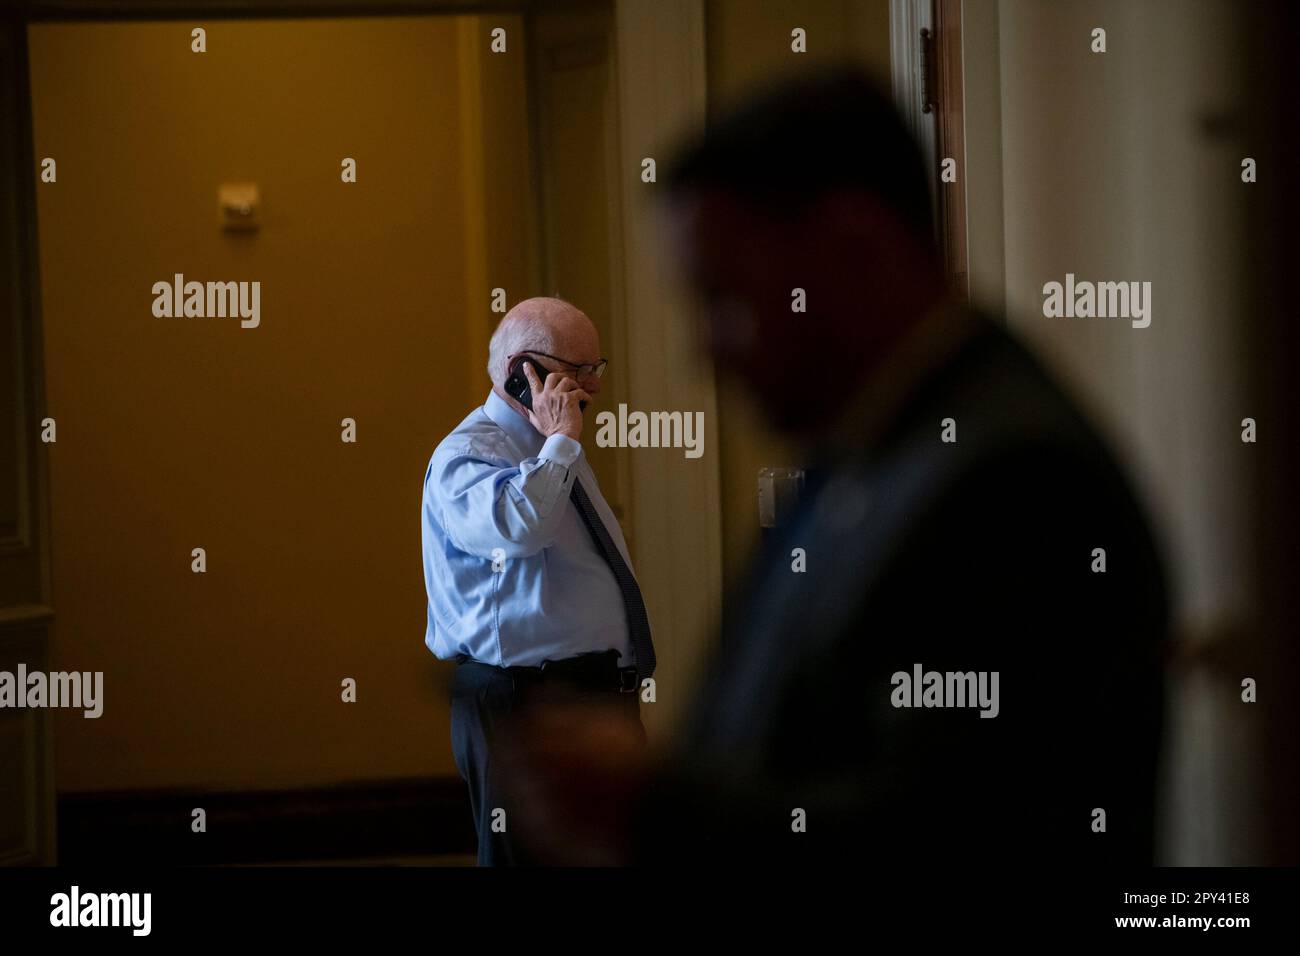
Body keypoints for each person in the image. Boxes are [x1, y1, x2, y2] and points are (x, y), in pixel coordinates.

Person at [502, 68, 1168, 866]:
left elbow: (960, 837)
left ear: (858, 247)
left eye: (725, 301)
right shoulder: (870, 445)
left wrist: (653, 805)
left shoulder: (1016, 484)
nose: (702, 350)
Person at [420, 296, 654, 865]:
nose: (593, 389)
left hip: (589, 699)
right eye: (579, 371)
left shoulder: (550, 447)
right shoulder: (468, 455)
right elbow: (519, 529)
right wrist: (561, 444)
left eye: (596, 369)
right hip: (521, 704)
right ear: (526, 371)